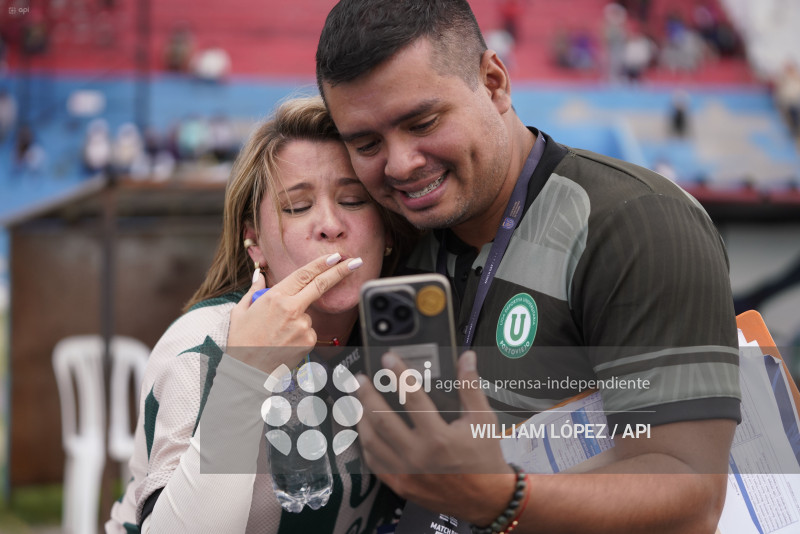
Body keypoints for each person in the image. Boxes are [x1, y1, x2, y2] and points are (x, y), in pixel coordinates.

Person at [316, 1, 740, 533]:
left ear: (494, 83)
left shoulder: (636, 222)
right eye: (367, 143)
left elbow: (692, 496)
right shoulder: (400, 240)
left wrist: (498, 497)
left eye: (422, 122)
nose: (400, 164)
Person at [106, 96, 412, 533]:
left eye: (353, 199)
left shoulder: (406, 336)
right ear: (255, 241)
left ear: (385, 231)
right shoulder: (199, 345)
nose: (329, 224)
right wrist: (244, 374)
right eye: (297, 207)